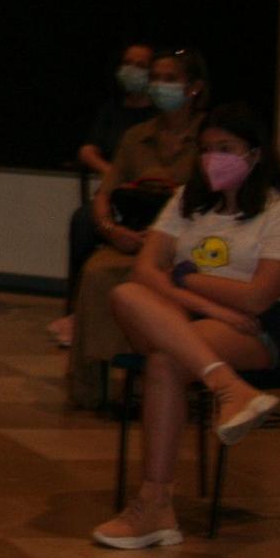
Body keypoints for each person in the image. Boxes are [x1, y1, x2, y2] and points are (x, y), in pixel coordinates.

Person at [92, 104, 280, 549]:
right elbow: (146, 273)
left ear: (255, 154)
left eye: (226, 149)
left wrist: (186, 276)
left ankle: (155, 505)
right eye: (205, 149)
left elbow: (259, 298)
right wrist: (206, 301)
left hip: (254, 332)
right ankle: (228, 387)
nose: (211, 159)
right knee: (125, 293)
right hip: (191, 319)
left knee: (166, 362)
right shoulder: (186, 201)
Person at [65, 48, 210, 407]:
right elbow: (105, 194)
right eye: (156, 79)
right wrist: (110, 229)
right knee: (98, 273)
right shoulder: (136, 136)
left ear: (193, 88)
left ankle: (165, 377)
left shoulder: (210, 137)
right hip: (132, 236)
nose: (160, 86)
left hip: (183, 243)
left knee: (161, 278)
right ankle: (91, 386)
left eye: (170, 79)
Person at [53, 41, 157, 344]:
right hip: (113, 195)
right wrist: (111, 172)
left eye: (141, 65)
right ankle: (75, 310)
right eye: (129, 63)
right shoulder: (111, 110)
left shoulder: (155, 118)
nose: (132, 70)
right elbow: (87, 148)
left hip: (148, 197)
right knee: (83, 223)